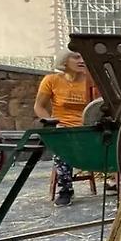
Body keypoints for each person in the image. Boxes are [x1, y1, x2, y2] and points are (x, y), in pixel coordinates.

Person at [34, 50, 92, 206]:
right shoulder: (51, 80)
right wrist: (51, 121)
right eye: (76, 56)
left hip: (89, 128)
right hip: (64, 128)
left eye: (83, 56)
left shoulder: (92, 80)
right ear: (64, 61)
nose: (82, 60)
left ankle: (116, 181)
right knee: (61, 141)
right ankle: (66, 189)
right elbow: (39, 106)